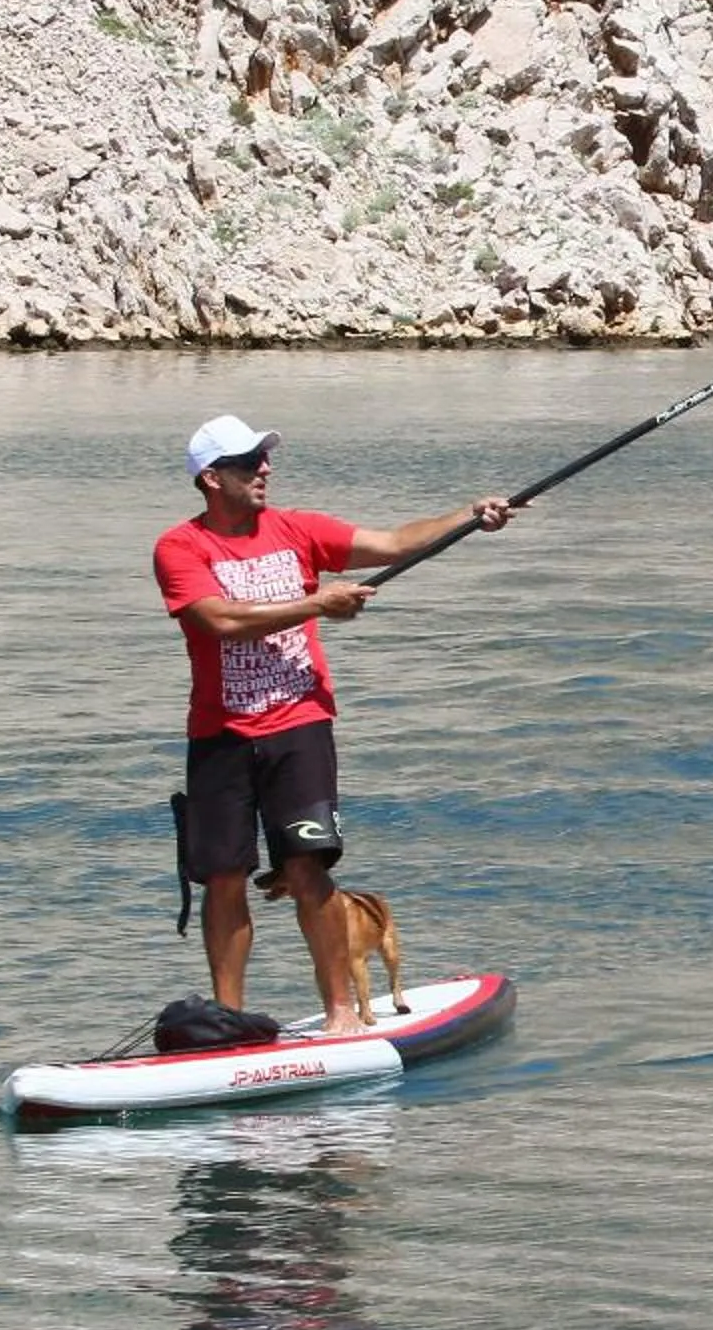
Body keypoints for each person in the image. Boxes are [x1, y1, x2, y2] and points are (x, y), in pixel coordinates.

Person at [155, 413, 515, 1035]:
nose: (264, 469)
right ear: (212, 478)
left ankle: (341, 1012)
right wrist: (316, 604)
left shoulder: (298, 528)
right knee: (224, 877)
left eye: (264, 458)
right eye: (248, 462)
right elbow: (219, 620)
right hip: (221, 733)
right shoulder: (180, 547)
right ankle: (228, 1021)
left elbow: (395, 543)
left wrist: (467, 515)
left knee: (307, 867)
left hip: (300, 725)